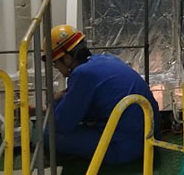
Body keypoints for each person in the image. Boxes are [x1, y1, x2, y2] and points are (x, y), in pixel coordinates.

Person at [45, 25, 160, 165]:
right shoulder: (106, 59)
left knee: (48, 134)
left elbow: (61, 124)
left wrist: (53, 103)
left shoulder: (82, 74)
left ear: (67, 59)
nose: (57, 68)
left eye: (55, 63)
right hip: (150, 137)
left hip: (126, 147)